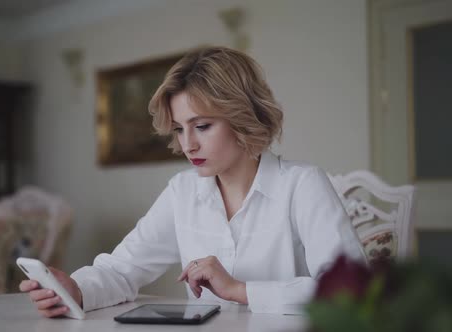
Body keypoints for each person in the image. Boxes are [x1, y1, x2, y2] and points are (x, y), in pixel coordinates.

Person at [19, 46, 365, 317]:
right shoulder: (182, 192)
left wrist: (240, 290)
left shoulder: (303, 186)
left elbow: (354, 290)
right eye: (179, 129)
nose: (187, 145)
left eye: (201, 126)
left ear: (243, 117)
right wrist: (75, 289)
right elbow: (122, 270)